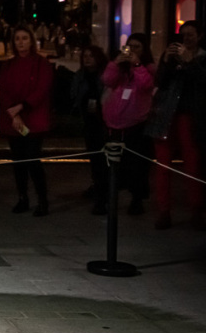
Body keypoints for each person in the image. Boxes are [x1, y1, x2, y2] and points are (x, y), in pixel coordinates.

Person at [146, 21, 206, 230]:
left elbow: (201, 83)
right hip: (166, 115)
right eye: (183, 35)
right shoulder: (172, 55)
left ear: (200, 36)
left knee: (192, 164)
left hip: (189, 115)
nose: (186, 39)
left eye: (191, 35)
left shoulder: (202, 58)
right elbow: (160, 82)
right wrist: (166, 61)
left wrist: (191, 62)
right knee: (163, 164)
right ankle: (164, 211)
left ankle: (196, 209)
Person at [0, 25, 54, 216]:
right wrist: (14, 114)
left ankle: (42, 200)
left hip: (33, 119)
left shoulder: (41, 64)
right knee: (18, 161)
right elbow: (3, 90)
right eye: (17, 39)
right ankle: (22, 197)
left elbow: (41, 89)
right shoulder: (8, 65)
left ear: (31, 41)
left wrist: (22, 107)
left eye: (24, 38)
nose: (21, 42)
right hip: (14, 120)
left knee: (33, 160)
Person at [101, 33, 155, 215]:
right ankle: (110, 196)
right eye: (129, 46)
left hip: (136, 124)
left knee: (136, 166)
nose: (132, 50)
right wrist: (116, 62)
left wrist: (137, 65)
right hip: (114, 123)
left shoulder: (147, 68)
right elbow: (107, 80)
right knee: (113, 165)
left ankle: (136, 199)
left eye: (137, 47)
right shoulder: (121, 68)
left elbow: (146, 85)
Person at [70, 45, 109, 214]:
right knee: (94, 158)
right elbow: (74, 96)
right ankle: (98, 187)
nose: (87, 59)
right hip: (88, 121)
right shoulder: (81, 76)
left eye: (91, 56)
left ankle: (102, 195)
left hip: (104, 122)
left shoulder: (104, 76)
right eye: (85, 55)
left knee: (103, 160)